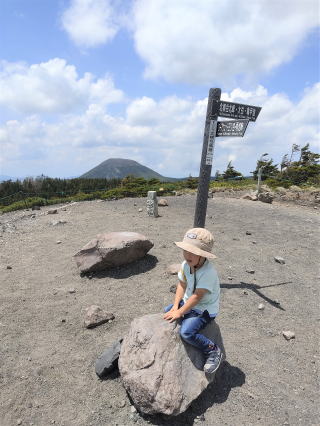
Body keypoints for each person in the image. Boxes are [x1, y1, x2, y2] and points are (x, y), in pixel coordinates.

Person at [163, 227, 222, 374]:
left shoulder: (208, 272)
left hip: (204, 309)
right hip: (189, 302)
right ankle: (183, 315)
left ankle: (213, 350)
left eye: (193, 252)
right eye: (185, 250)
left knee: (187, 332)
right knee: (167, 311)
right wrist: (176, 306)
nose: (187, 255)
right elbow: (182, 284)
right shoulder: (185, 265)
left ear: (203, 255)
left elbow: (197, 296)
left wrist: (181, 312)